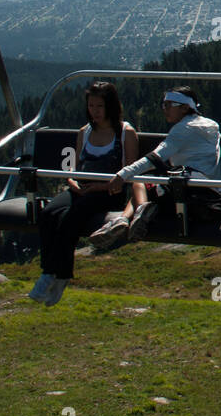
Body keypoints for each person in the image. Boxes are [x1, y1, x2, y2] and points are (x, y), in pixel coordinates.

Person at [28, 81, 146, 307]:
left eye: (99, 106)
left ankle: (55, 276)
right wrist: (72, 182)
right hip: (82, 187)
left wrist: (99, 187)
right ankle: (52, 273)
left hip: (109, 191)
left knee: (71, 217)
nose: (95, 111)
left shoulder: (125, 134)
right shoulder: (85, 132)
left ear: (111, 106)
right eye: (91, 106)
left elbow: (130, 173)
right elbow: (74, 166)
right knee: (49, 213)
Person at [106, 86, 221, 243]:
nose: (164, 109)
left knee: (139, 180)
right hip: (213, 195)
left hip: (189, 196)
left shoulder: (183, 129)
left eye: (168, 105)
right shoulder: (211, 125)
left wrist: (122, 174)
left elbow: (154, 158)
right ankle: (126, 218)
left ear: (185, 107)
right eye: (163, 105)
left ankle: (137, 215)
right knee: (145, 186)